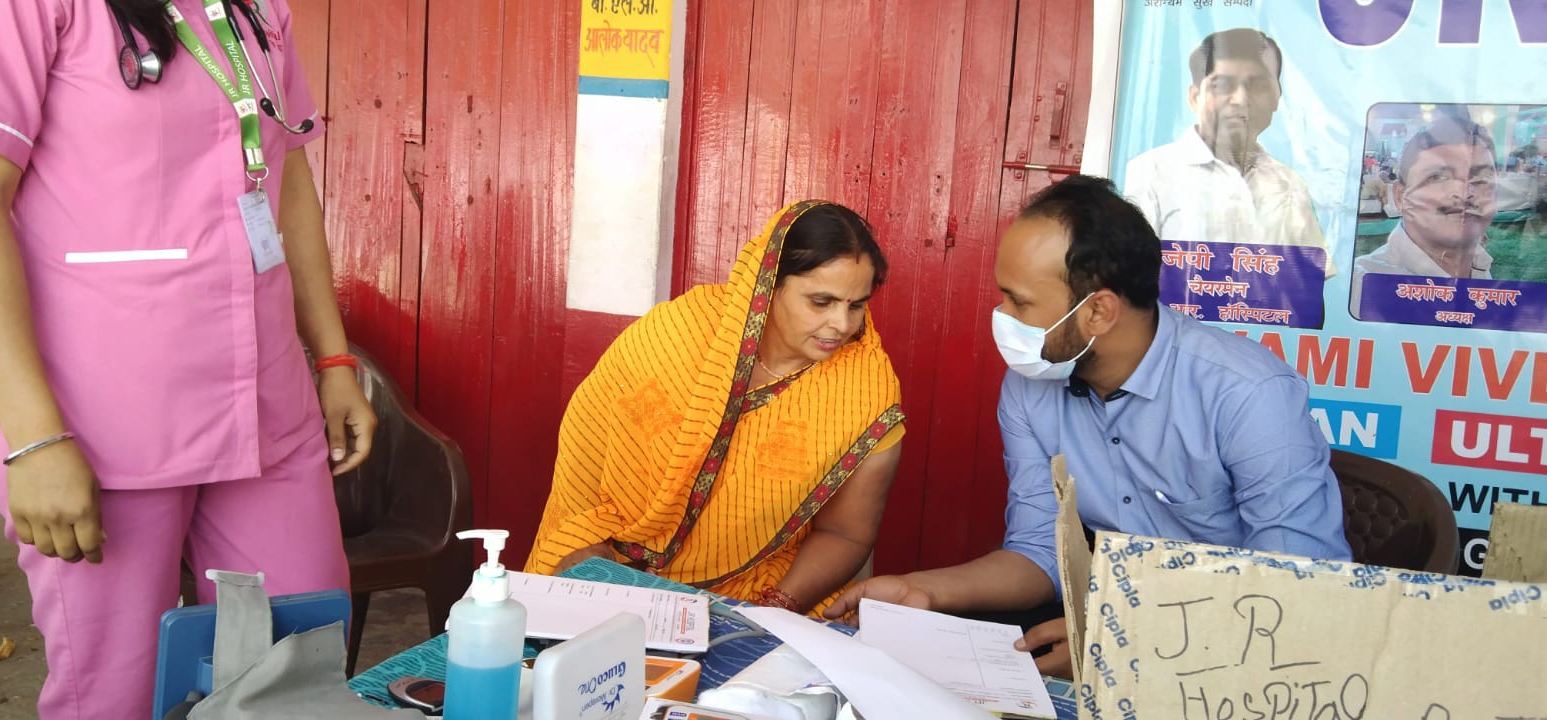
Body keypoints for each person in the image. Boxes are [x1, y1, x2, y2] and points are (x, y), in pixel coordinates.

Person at [0, 2, 373, 718]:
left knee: (297, 670)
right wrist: (35, 439)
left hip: (265, 404)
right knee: (118, 692)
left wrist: (332, 358)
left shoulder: (257, 8)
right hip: (100, 416)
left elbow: (288, 178)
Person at [826, 175, 1350, 677]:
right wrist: (925, 591)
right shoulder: (1031, 387)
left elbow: (1296, 586)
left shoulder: (1248, 394)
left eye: (1019, 301)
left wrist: (1119, 643)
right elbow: (1039, 552)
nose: (1001, 315)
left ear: (1098, 311)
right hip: (1105, 624)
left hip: (1241, 655)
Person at [526, 201, 905, 616]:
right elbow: (586, 449)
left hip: (761, 582)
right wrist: (588, 550)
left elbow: (846, 534)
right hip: (615, 563)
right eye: (821, 302)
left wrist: (773, 609)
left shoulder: (865, 390)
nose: (842, 325)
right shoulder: (676, 333)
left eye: (856, 305)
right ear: (768, 283)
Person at [1123, 28, 1334, 277]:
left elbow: (1310, 280)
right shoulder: (1151, 172)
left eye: (1258, 86)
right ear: (1195, 97)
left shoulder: (1289, 184)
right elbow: (1129, 277)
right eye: (1223, 85)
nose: (1241, 99)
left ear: (1276, 98)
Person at [1353, 114, 1498, 308]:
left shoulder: (1479, 266)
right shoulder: (1362, 288)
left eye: (1481, 178)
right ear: (1400, 196)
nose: (1464, 193)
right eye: (1438, 177)